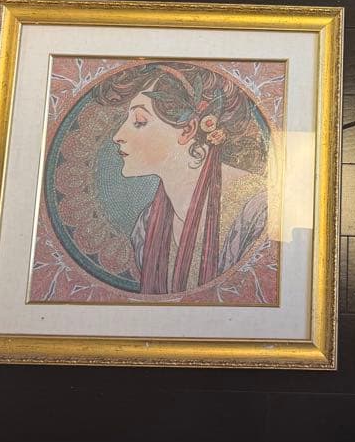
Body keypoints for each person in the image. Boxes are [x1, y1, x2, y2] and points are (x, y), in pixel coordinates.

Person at [95, 62, 269, 296]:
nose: (118, 136)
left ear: (188, 130)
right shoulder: (147, 226)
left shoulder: (258, 212)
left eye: (139, 122)